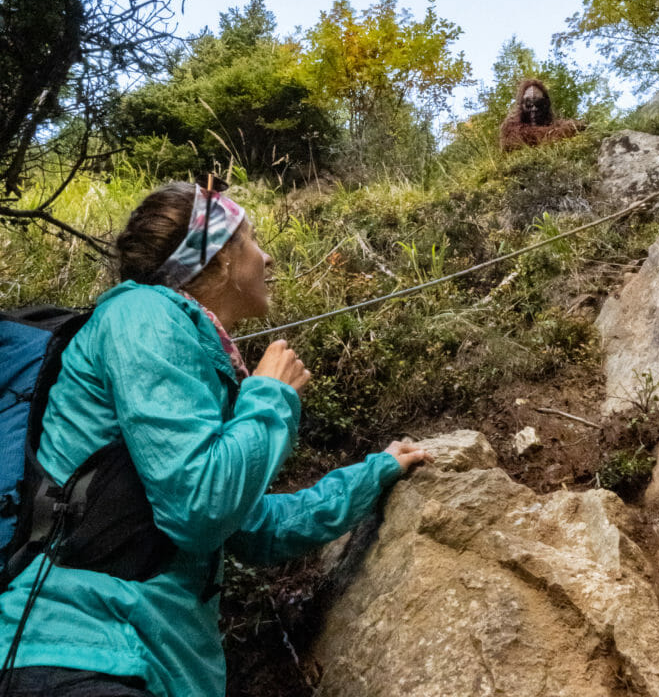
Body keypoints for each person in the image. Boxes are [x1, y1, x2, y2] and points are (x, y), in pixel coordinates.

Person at [0, 181, 430, 697]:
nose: (266, 256)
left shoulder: (196, 356)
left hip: (141, 663)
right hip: (77, 654)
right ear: (222, 256)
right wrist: (270, 396)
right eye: (251, 238)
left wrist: (373, 474)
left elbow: (253, 529)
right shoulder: (142, 314)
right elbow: (200, 507)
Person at [499, 78, 582, 152]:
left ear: (545, 104)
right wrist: (565, 130)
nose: (534, 108)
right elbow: (536, 138)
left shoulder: (554, 125)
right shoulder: (511, 127)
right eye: (529, 104)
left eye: (538, 103)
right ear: (521, 105)